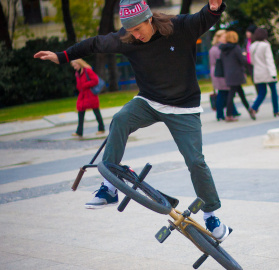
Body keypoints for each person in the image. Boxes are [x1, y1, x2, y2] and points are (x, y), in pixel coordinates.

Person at [34, 0, 232, 242]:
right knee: (120, 119)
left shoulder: (178, 27)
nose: (136, 36)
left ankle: (211, 213)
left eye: (138, 29)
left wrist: (213, 7)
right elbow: (95, 43)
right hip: (148, 101)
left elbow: (203, 17)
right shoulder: (126, 38)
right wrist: (62, 56)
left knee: (195, 161)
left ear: (149, 19)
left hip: (183, 107)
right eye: (130, 31)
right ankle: (109, 187)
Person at [249, 28, 279, 118]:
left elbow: (252, 61)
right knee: (273, 92)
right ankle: (276, 110)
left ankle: (254, 107)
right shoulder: (266, 45)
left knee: (262, 92)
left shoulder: (252, 46)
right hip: (267, 72)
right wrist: (273, 73)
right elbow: (269, 60)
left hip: (257, 71)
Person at [219, 30, 254, 122]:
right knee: (232, 95)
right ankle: (229, 115)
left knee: (241, 93)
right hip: (237, 74)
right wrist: (245, 57)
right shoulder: (236, 48)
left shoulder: (223, 49)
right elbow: (242, 60)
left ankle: (250, 110)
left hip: (228, 74)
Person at [70, 59, 106, 138]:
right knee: (80, 112)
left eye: (75, 65)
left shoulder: (87, 71)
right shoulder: (77, 73)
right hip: (83, 95)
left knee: (96, 111)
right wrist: (79, 87)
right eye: (73, 66)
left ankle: (101, 128)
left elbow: (95, 80)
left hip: (90, 95)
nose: (74, 67)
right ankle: (79, 132)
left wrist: (85, 85)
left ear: (79, 64)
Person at [209, 30, 239, 121]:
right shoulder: (218, 49)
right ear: (218, 38)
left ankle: (232, 111)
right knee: (223, 93)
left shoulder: (216, 48)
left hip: (218, 72)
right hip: (219, 72)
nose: (225, 38)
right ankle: (220, 114)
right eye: (223, 37)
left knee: (226, 92)